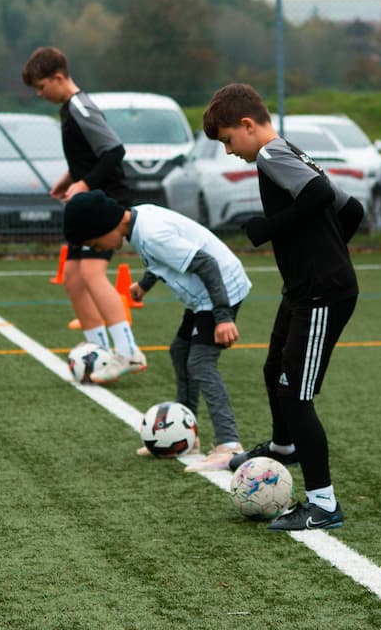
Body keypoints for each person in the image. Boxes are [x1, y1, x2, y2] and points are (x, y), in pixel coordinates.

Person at [202, 83, 364, 531]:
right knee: (275, 370)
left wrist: (269, 228)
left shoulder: (272, 155)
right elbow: (352, 210)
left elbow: (318, 195)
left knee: (295, 395)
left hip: (321, 293)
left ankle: (324, 504)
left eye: (228, 140)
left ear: (247, 125)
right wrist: (323, 250)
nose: (230, 152)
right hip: (302, 289)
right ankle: (283, 447)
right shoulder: (289, 152)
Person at [64, 190, 252, 472]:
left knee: (201, 362)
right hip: (202, 296)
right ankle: (186, 434)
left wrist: (223, 317)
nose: (99, 247)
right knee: (180, 351)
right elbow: (167, 258)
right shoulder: (139, 222)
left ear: (105, 225)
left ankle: (230, 444)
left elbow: (207, 264)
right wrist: (144, 284)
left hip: (219, 291)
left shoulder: (152, 234)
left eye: (94, 241)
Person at [22, 46, 144, 381]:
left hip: (105, 201)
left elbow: (114, 151)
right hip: (89, 197)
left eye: (41, 86)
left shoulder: (79, 106)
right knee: (73, 279)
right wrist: (70, 177)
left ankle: (128, 352)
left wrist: (85, 183)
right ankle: (99, 353)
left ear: (59, 77)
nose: (39, 93)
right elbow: (90, 154)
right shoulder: (68, 109)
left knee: (91, 273)